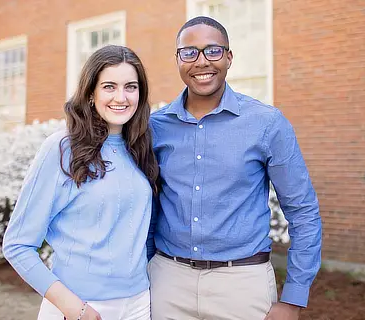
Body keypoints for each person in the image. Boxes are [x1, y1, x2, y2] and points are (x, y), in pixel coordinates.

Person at [147, 16, 322, 320]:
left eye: (212, 51)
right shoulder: (155, 127)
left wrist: (294, 298)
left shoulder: (266, 123)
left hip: (243, 284)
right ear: (177, 60)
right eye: (189, 52)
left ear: (229, 57)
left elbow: (303, 211)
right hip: (167, 282)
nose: (201, 61)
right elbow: (147, 207)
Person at [3, 45, 159, 320]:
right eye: (109, 87)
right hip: (81, 307)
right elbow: (17, 245)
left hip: (138, 302)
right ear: (90, 93)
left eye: (130, 87)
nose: (121, 97)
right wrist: (76, 309)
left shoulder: (140, 147)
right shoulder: (62, 148)